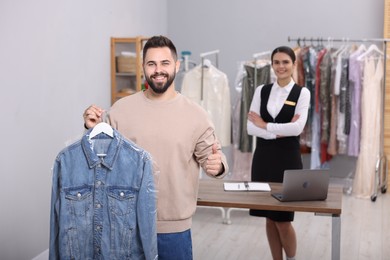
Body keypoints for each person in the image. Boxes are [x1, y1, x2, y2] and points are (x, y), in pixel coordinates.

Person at [83, 35, 228, 260]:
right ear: (143, 68)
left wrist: (218, 166)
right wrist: (91, 129)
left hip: (174, 231)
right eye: (151, 64)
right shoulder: (120, 110)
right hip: (126, 226)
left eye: (165, 63)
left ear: (177, 66)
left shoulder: (196, 115)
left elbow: (214, 161)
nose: (158, 70)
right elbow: (98, 159)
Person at [247, 46, 310, 260]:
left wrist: (265, 125)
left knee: (283, 220)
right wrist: (278, 131)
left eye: (285, 62)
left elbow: (297, 129)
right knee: (269, 217)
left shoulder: (302, 93)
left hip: (288, 159)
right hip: (263, 158)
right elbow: (250, 128)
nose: (281, 66)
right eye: (276, 62)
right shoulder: (261, 91)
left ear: (294, 64)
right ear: (272, 65)